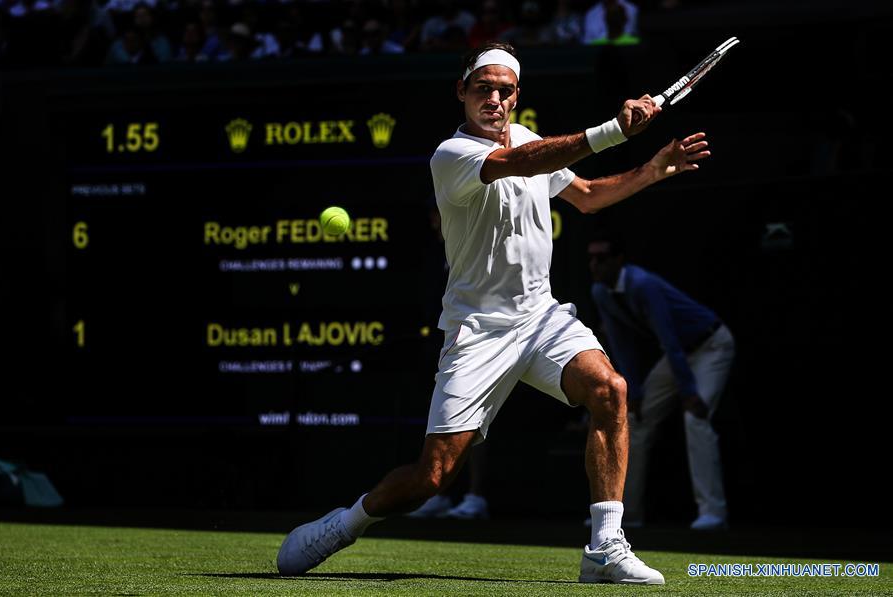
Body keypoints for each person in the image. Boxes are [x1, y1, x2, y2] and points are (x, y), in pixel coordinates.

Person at [276, 41, 710, 585]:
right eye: (483, 89)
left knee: (610, 390)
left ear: (516, 96)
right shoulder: (451, 154)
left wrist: (650, 170)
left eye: (505, 91)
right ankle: (346, 523)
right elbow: (519, 163)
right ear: (461, 92)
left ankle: (604, 548)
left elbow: (588, 196)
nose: (494, 100)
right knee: (432, 477)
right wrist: (614, 131)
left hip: (541, 318)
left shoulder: (529, 139)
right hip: (477, 331)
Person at [588, 233, 734, 531]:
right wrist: (634, 392)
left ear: (618, 260)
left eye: (602, 259)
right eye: (591, 259)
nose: (595, 265)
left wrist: (689, 391)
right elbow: (621, 343)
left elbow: (669, 338)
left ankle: (713, 512)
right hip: (678, 355)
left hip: (711, 346)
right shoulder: (600, 292)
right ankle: (624, 515)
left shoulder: (643, 284)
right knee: (633, 421)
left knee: (695, 419)